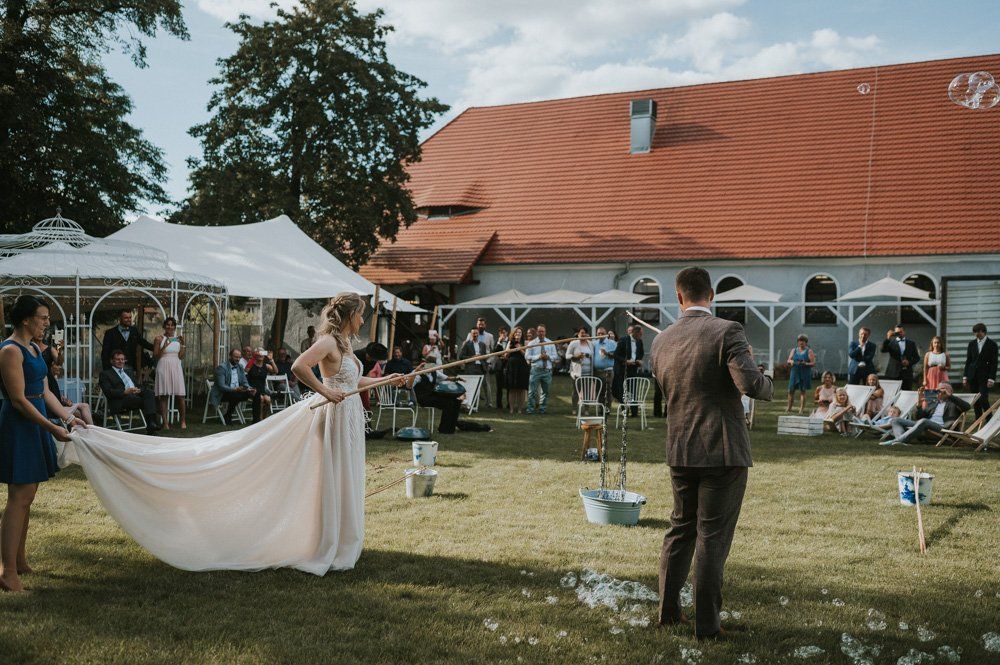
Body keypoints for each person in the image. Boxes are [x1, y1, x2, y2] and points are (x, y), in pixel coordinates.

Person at [650, 267, 773, 639]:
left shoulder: (661, 342)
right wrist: (765, 376)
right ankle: (708, 627)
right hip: (722, 450)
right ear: (712, 294)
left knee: (680, 530)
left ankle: (668, 614)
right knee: (712, 537)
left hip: (679, 447)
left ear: (678, 297)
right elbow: (751, 385)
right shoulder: (728, 331)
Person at [0, 295, 87, 593]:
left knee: (29, 498)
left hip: (37, 422)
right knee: (18, 499)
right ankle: (7, 572)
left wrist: (69, 418)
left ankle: (20, 561)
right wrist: (51, 426)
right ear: (25, 319)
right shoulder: (11, 351)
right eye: (42, 317)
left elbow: (46, 391)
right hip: (20, 426)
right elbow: (19, 400)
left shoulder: (35, 348)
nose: (47, 322)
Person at [881, 383, 970, 446]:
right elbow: (918, 417)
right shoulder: (933, 402)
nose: (941, 392)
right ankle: (901, 442)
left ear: (950, 392)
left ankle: (896, 440)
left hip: (942, 428)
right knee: (895, 420)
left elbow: (967, 407)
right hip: (926, 424)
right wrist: (919, 404)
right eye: (939, 390)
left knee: (924, 421)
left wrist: (950, 396)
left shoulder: (954, 402)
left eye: (944, 390)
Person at [35, 332, 93, 425]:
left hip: (50, 383)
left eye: (43, 332)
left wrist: (59, 348)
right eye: (38, 331)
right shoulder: (28, 348)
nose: (40, 334)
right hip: (37, 383)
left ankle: (89, 431)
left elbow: (59, 362)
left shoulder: (49, 349)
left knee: (78, 411)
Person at [99, 350, 161, 434]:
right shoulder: (105, 374)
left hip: (135, 395)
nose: (120, 361)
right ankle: (152, 423)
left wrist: (139, 390)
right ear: (111, 361)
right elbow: (108, 392)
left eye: (122, 359)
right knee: (148, 400)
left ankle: (151, 423)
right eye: (117, 359)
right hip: (121, 400)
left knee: (150, 393)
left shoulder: (128, 371)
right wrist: (125, 392)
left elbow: (137, 385)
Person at [209, 348, 262, 424]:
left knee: (256, 393)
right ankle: (228, 415)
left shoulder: (240, 366)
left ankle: (256, 421)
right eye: (235, 357)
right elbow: (221, 386)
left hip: (238, 391)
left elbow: (244, 381)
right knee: (236, 395)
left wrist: (250, 389)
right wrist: (234, 389)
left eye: (239, 357)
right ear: (230, 356)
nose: (237, 359)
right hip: (223, 393)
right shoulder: (222, 368)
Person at [153, 317, 186, 430]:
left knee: (180, 395)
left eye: (172, 325)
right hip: (163, 365)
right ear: (164, 326)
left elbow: (181, 356)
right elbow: (156, 356)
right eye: (168, 325)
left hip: (176, 366)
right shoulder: (159, 338)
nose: (170, 327)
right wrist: (165, 345)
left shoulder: (178, 339)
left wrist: (183, 344)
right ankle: (165, 423)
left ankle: (183, 421)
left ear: (175, 327)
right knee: (164, 395)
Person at [962, 323, 998, 418]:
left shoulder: (992, 344)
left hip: (985, 376)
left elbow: (994, 363)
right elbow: (968, 361)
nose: (976, 334)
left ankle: (989, 418)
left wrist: (991, 378)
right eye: (975, 332)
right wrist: (965, 377)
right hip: (972, 376)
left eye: (978, 332)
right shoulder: (971, 344)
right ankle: (978, 419)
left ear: (984, 331)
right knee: (975, 399)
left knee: (983, 398)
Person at [524, 324, 556, 414]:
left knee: (545, 392)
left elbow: (555, 356)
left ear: (545, 332)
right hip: (536, 370)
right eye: (539, 331)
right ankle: (530, 409)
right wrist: (539, 356)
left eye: (543, 331)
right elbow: (527, 356)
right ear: (537, 332)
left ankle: (543, 409)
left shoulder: (550, 343)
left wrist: (547, 357)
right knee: (532, 392)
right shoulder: (532, 343)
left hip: (547, 371)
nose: (541, 333)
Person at [613, 324, 644, 415]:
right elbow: (616, 355)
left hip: (633, 368)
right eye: (640, 334)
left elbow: (640, 353)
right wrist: (626, 361)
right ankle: (624, 410)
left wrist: (639, 360)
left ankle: (634, 412)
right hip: (623, 369)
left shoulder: (639, 341)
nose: (641, 336)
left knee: (633, 389)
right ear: (635, 332)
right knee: (622, 390)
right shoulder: (624, 340)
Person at [881, 324, 920, 390]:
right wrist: (888, 338)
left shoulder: (911, 343)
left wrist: (909, 362)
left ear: (904, 332)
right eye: (897, 332)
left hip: (907, 374)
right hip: (893, 373)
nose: (899, 333)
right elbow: (883, 350)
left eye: (901, 332)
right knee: (892, 393)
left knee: (906, 394)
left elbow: (917, 358)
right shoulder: (890, 343)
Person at [785, 335, 815, 413]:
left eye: (803, 341)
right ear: (798, 342)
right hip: (794, 372)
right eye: (800, 341)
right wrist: (790, 362)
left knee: (802, 391)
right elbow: (789, 360)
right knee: (791, 390)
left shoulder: (809, 351)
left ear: (806, 342)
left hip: (804, 372)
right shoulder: (794, 350)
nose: (801, 342)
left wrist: (805, 363)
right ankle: (789, 407)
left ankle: (801, 409)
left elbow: (812, 363)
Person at [245, 348, 278, 418]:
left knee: (268, 400)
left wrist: (271, 360)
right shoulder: (251, 364)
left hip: (262, 390)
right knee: (261, 399)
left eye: (262, 353)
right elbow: (246, 370)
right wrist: (253, 357)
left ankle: (264, 418)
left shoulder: (266, 366)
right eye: (259, 353)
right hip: (252, 390)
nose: (260, 354)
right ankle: (259, 419)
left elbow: (276, 371)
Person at [565, 327, 594, 407]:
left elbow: (592, 355)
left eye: (585, 333)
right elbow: (567, 356)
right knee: (576, 391)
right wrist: (576, 356)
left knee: (587, 391)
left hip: (588, 372)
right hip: (577, 372)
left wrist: (588, 355)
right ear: (578, 334)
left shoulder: (590, 343)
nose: (583, 334)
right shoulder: (573, 343)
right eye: (581, 333)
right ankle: (574, 408)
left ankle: (586, 409)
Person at [505, 326, 530, 414]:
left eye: (519, 332)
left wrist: (520, 348)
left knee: (521, 389)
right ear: (513, 334)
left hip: (522, 367)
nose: (518, 334)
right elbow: (506, 355)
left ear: (522, 334)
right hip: (512, 367)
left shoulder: (526, 342)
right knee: (512, 388)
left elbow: (527, 355)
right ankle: (511, 408)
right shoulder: (510, 342)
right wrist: (511, 348)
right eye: (516, 332)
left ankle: (520, 409)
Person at [592, 326, 617, 408]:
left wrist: (607, 353)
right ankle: (600, 409)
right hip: (597, 371)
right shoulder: (594, 343)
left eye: (602, 333)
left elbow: (616, 356)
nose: (600, 335)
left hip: (608, 371)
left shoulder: (612, 343)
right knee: (599, 391)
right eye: (598, 333)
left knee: (607, 391)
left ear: (606, 334)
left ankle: (607, 409)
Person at [493, 327, 509, 410]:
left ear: (507, 333)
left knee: (508, 386)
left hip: (508, 366)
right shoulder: (497, 342)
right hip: (499, 366)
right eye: (501, 333)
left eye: (504, 332)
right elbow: (495, 351)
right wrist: (499, 342)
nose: (503, 334)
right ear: (499, 334)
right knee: (499, 387)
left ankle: (509, 405)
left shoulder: (510, 341)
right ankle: (499, 405)